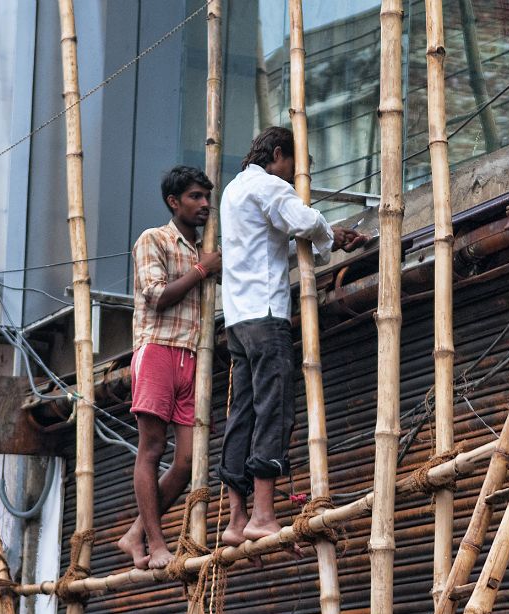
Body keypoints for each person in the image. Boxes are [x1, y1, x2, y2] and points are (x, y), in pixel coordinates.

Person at [218, 126, 367, 549]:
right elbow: (303, 218)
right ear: (279, 155)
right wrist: (325, 231)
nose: (295, 176)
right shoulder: (266, 186)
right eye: (295, 167)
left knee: (242, 413)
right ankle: (263, 515)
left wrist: (330, 241)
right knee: (274, 407)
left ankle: (236, 518)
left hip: (238, 320)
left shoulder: (234, 192)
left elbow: (278, 246)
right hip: (266, 317)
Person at [117, 166, 221, 570]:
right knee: (153, 448)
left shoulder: (205, 248)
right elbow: (157, 296)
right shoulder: (153, 239)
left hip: (192, 357)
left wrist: (205, 264)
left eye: (207, 198)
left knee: (189, 460)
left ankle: (136, 533)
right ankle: (156, 545)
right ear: (173, 202)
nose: (205, 205)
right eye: (196, 197)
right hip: (157, 350)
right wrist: (201, 270)